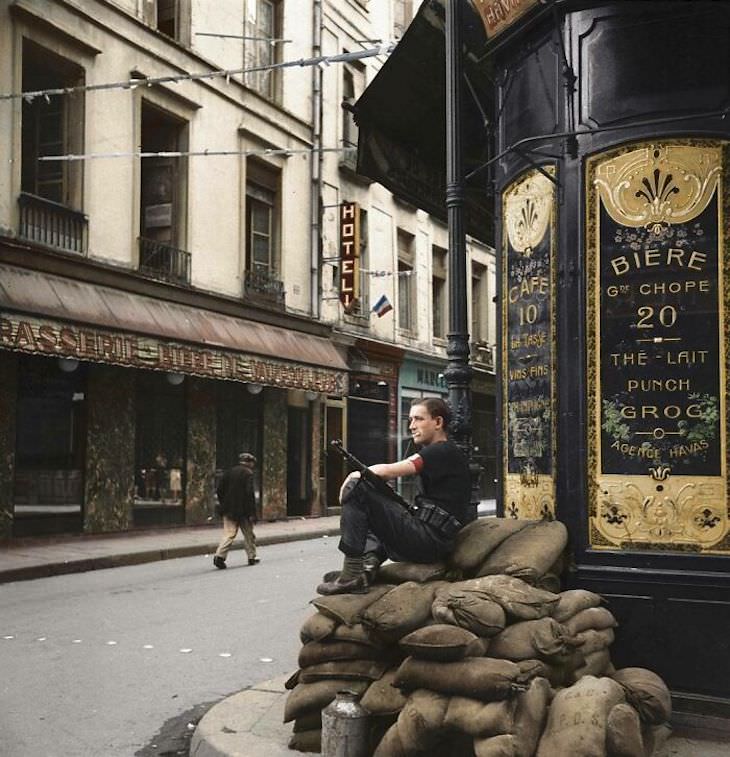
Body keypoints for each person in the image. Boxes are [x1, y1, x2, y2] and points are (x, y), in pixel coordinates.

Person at [317, 397, 470, 595]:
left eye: (419, 419)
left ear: (438, 422)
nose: (412, 426)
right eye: (411, 420)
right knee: (372, 509)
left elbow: (391, 470)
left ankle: (352, 574)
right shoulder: (444, 452)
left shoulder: (441, 450)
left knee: (359, 488)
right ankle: (366, 568)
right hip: (431, 539)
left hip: (429, 541)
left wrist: (355, 475)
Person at [213, 452, 260, 569]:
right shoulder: (248, 474)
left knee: (229, 533)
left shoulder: (229, 472)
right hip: (244, 511)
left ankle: (219, 556)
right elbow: (249, 495)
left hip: (228, 509)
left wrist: (224, 503)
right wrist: (252, 514)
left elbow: (219, 490)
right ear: (250, 463)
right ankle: (251, 557)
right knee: (249, 534)